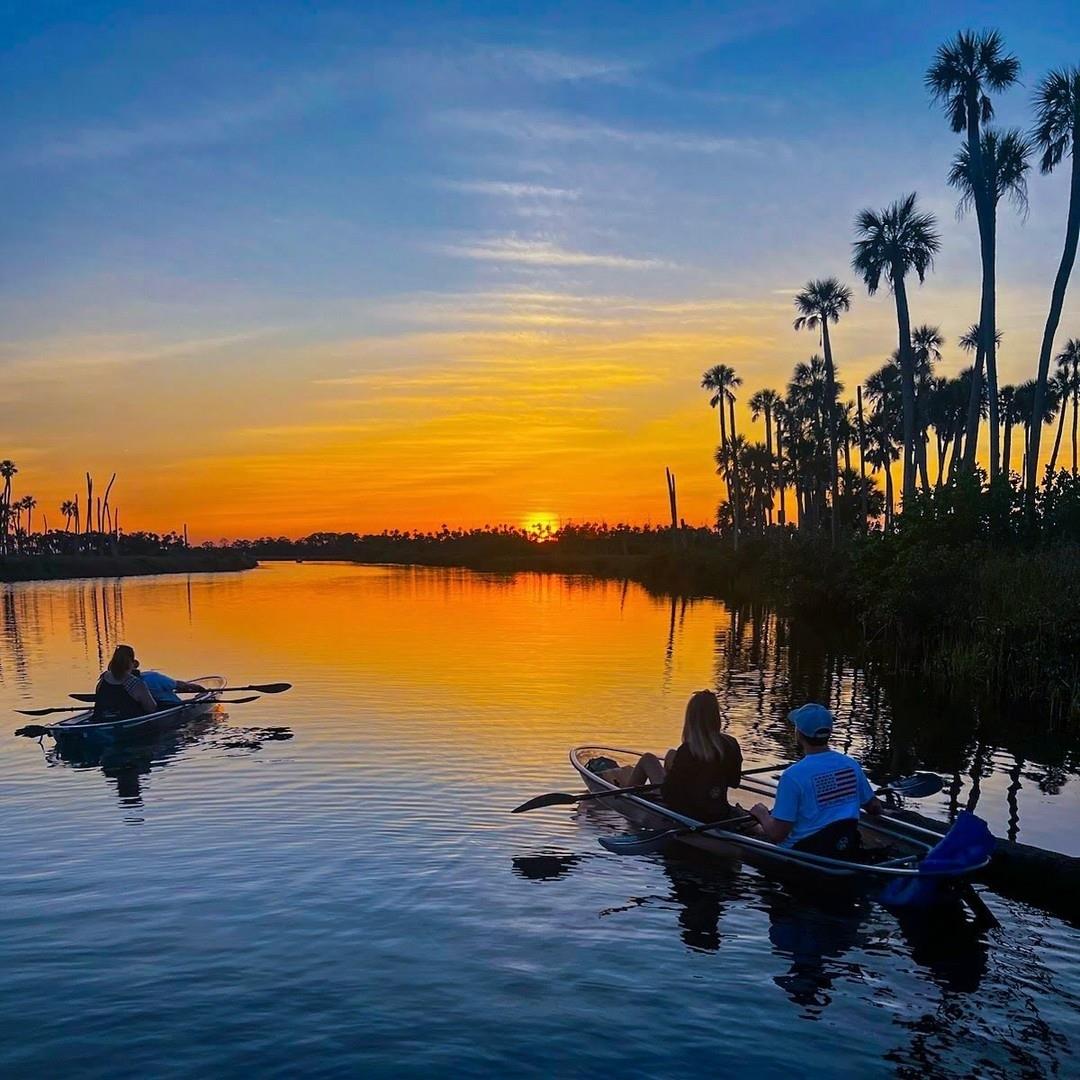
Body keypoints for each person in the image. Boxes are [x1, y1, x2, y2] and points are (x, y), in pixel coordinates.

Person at [749, 704, 883, 857]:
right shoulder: (850, 764)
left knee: (754, 831)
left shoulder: (792, 776)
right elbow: (873, 806)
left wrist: (762, 814)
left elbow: (777, 835)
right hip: (843, 846)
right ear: (829, 733)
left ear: (798, 734)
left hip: (802, 853)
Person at [611, 690, 744, 821]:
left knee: (648, 759)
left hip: (687, 812)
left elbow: (670, 794)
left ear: (691, 718)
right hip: (718, 809)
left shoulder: (688, 749)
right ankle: (629, 790)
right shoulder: (731, 744)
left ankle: (625, 797)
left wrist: (655, 791)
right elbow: (734, 782)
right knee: (670, 755)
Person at [93, 645, 158, 720]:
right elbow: (151, 708)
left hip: (100, 720)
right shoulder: (135, 683)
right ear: (132, 662)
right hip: (127, 723)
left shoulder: (103, 678)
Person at [138, 668, 209, 706]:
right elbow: (179, 685)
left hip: (154, 708)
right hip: (172, 705)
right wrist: (200, 689)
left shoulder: (130, 681)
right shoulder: (152, 676)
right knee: (199, 697)